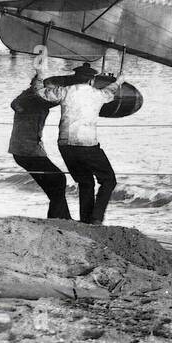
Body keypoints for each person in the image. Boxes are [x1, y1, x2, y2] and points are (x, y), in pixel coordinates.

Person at [32, 48, 129, 224]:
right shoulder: (97, 95)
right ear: (92, 80)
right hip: (88, 145)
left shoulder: (64, 92)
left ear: (75, 78)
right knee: (108, 181)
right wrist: (120, 80)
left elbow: (40, 93)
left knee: (85, 182)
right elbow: (110, 91)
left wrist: (39, 75)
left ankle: (87, 220)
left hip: (65, 145)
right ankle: (96, 218)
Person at [8, 75, 72, 220]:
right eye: (49, 89)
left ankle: (63, 217)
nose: (51, 92)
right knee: (59, 179)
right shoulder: (35, 99)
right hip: (28, 150)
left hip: (23, 149)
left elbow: (16, 103)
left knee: (54, 184)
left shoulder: (28, 96)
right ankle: (57, 218)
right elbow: (52, 100)